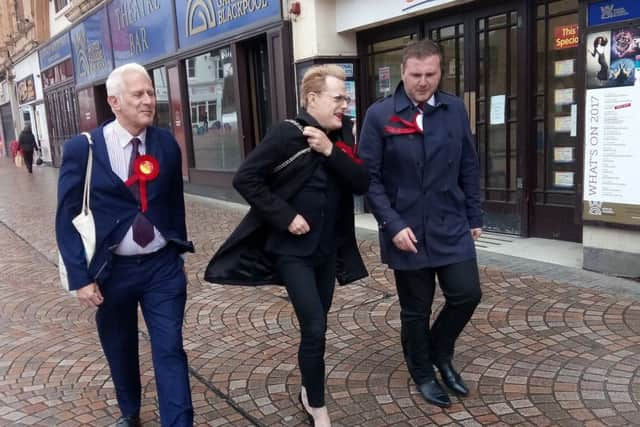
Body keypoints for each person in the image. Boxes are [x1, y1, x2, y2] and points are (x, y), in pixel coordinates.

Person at [204, 64, 369, 427]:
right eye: (338, 97)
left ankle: (307, 391)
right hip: (292, 253)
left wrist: (331, 150)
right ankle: (318, 406)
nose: (344, 103)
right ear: (313, 98)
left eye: (346, 97)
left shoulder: (343, 135)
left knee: (318, 325)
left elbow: (361, 182)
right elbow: (246, 178)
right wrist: (285, 216)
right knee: (314, 327)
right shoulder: (285, 134)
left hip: (327, 253)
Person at [56, 63, 194, 427]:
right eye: (138, 94)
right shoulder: (82, 149)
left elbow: (173, 200)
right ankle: (130, 412)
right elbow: (66, 217)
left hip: (161, 269)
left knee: (170, 350)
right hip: (111, 271)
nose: (149, 100)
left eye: (151, 92)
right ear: (114, 101)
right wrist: (81, 278)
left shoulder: (165, 143)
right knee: (120, 348)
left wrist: (177, 248)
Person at [358, 40, 483, 408]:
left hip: (450, 223)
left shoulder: (454, 109)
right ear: (403, 72)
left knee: (467, 294)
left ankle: (440, 351)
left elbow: (468, 165)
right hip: (406, 231)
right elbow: (369, 178)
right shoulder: (380, 116)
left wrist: (474, 214)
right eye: (416, 75)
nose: (423, 82)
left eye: (431, 74)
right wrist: (392, 224)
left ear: (440, 72)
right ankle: (423, 371)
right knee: (416, 310)